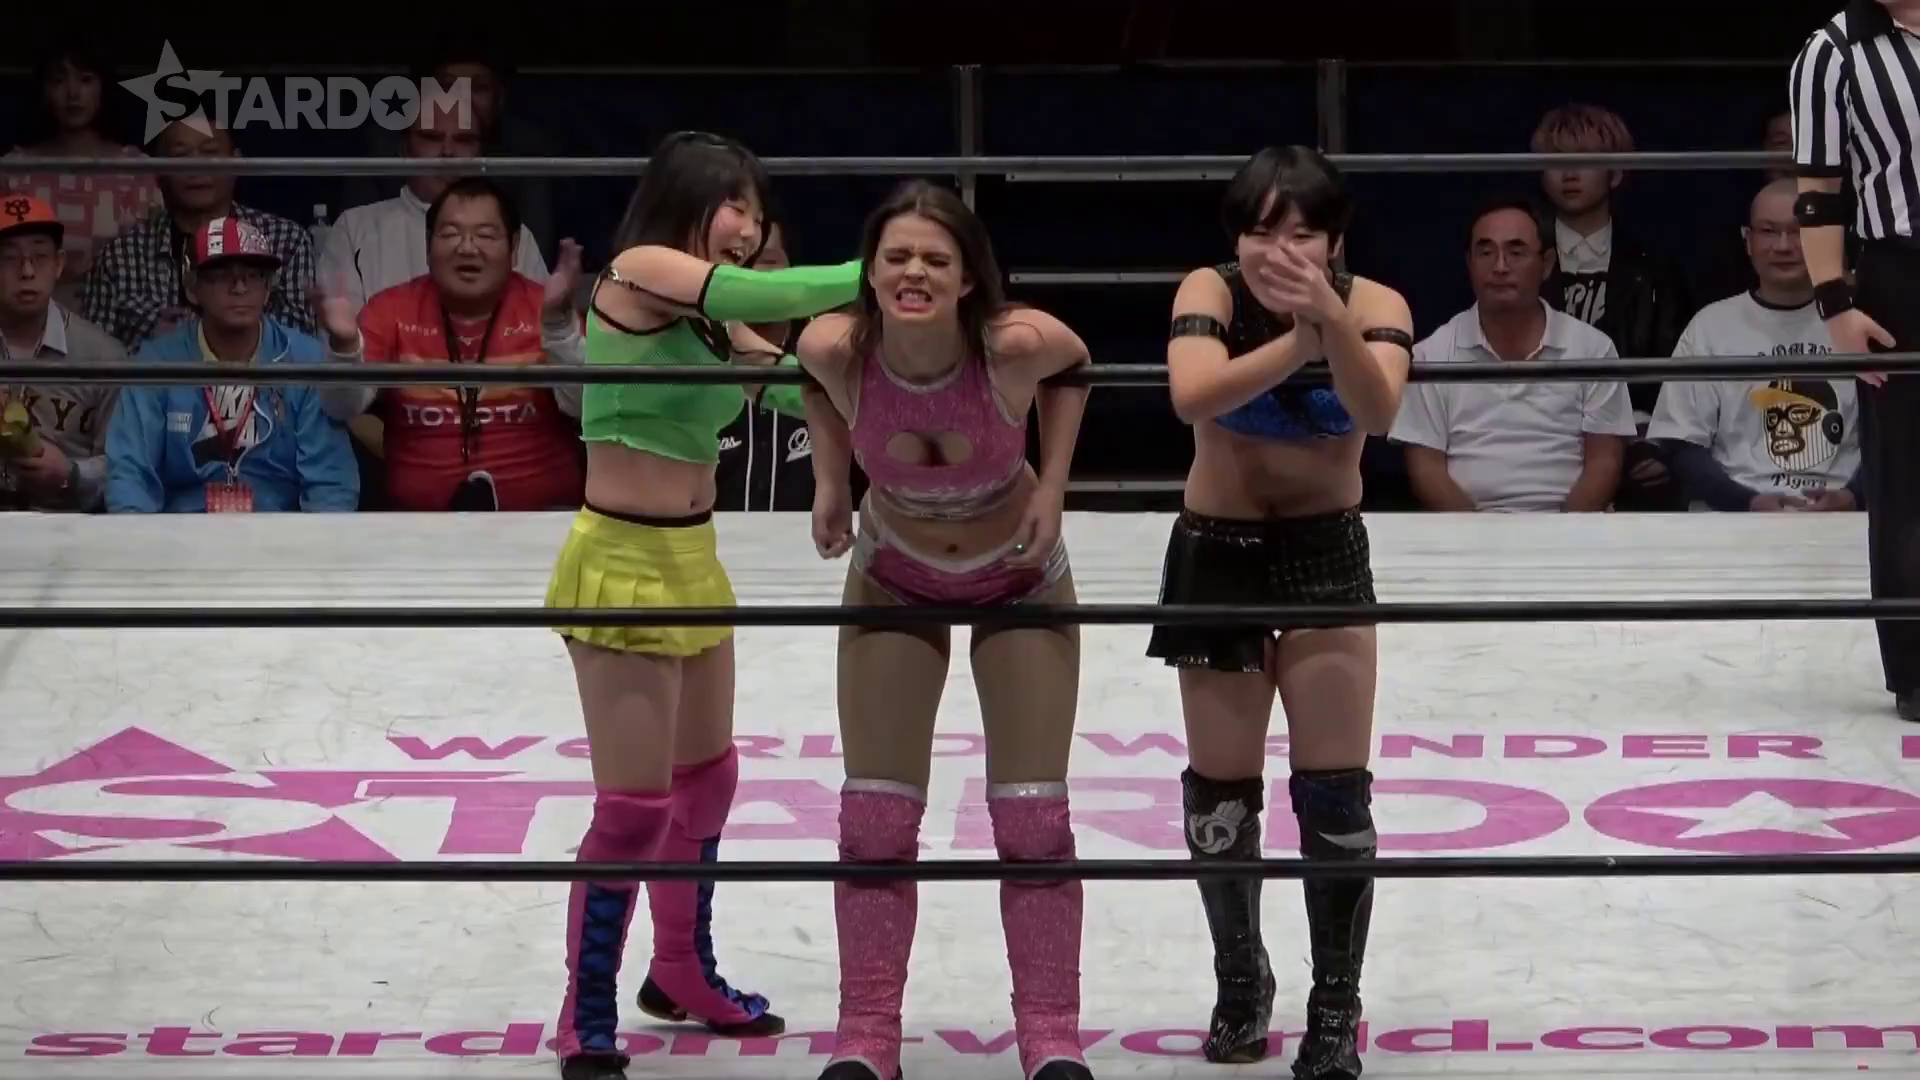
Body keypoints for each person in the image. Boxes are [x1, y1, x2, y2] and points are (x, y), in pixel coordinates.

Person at [542, 131, 861, 1080]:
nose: (750, 228)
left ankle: (679, 969)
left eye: (758, 213)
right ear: (688, 203)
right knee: (632, 809)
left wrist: (906, 387)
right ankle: (585, 1010)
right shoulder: (638, 272)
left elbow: (797, 391)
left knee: (709, 780)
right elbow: (762, 294)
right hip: (622, 560)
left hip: (695, 557)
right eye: (736, 207)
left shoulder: (716, 319)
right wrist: (880, 269)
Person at [797, 180, 1094, 1080]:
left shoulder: (1015, 346)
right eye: (897, 257)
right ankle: (866, 1034)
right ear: (870, 272)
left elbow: (1076, 367)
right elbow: (811, 383)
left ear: (968, 279)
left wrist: (1052, 487)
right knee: (875, 816)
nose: (914, 273)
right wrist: (831, 479)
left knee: (1033, 818)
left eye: (935, 259)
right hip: (895, 576)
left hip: (1019, 578)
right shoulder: (834, 348)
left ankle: (1051, 1033)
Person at [1147, 145, 1414, 1078]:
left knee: (1336, 792)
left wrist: (1329, 323)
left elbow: (1377, 411)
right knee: (1219, 796)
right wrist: (1297, 345)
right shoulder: (1210, 291)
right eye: (1262, 231)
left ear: (1335, 240)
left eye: (1302, 232)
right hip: (1217, 554)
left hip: (1324, 554)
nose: (1280, 251)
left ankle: (1336, 1005)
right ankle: (1239, 981)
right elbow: (1192, 394)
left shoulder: (1375, 304)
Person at [1793, 0, 1920, 720]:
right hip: (1902, 274)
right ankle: (1917, 667)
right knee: (1905, 478)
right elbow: (1818, 191)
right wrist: (1835, 304)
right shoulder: (1834, 51)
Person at [104, 217, 358, 513]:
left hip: (279, 533)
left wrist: (317, 541)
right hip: (183, 533)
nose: (239, 287)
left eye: (253, 275)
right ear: (192, 287)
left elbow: (330, 483)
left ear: (267, 289)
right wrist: (139, 540)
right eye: (223, 275)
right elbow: (130, 475)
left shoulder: (305, 358)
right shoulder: (157, 362)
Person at [1649, 178, 1862, 511]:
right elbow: (1681, 444)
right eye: (1768, 231)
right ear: (1747, 241)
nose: (1783, 246)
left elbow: (1900, 436)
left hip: (1846, 519)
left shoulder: (1860, 323)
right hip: (1733, 519)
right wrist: (1748, 502)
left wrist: (1852, 497)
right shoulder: (1710, 326)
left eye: (1798, 231)